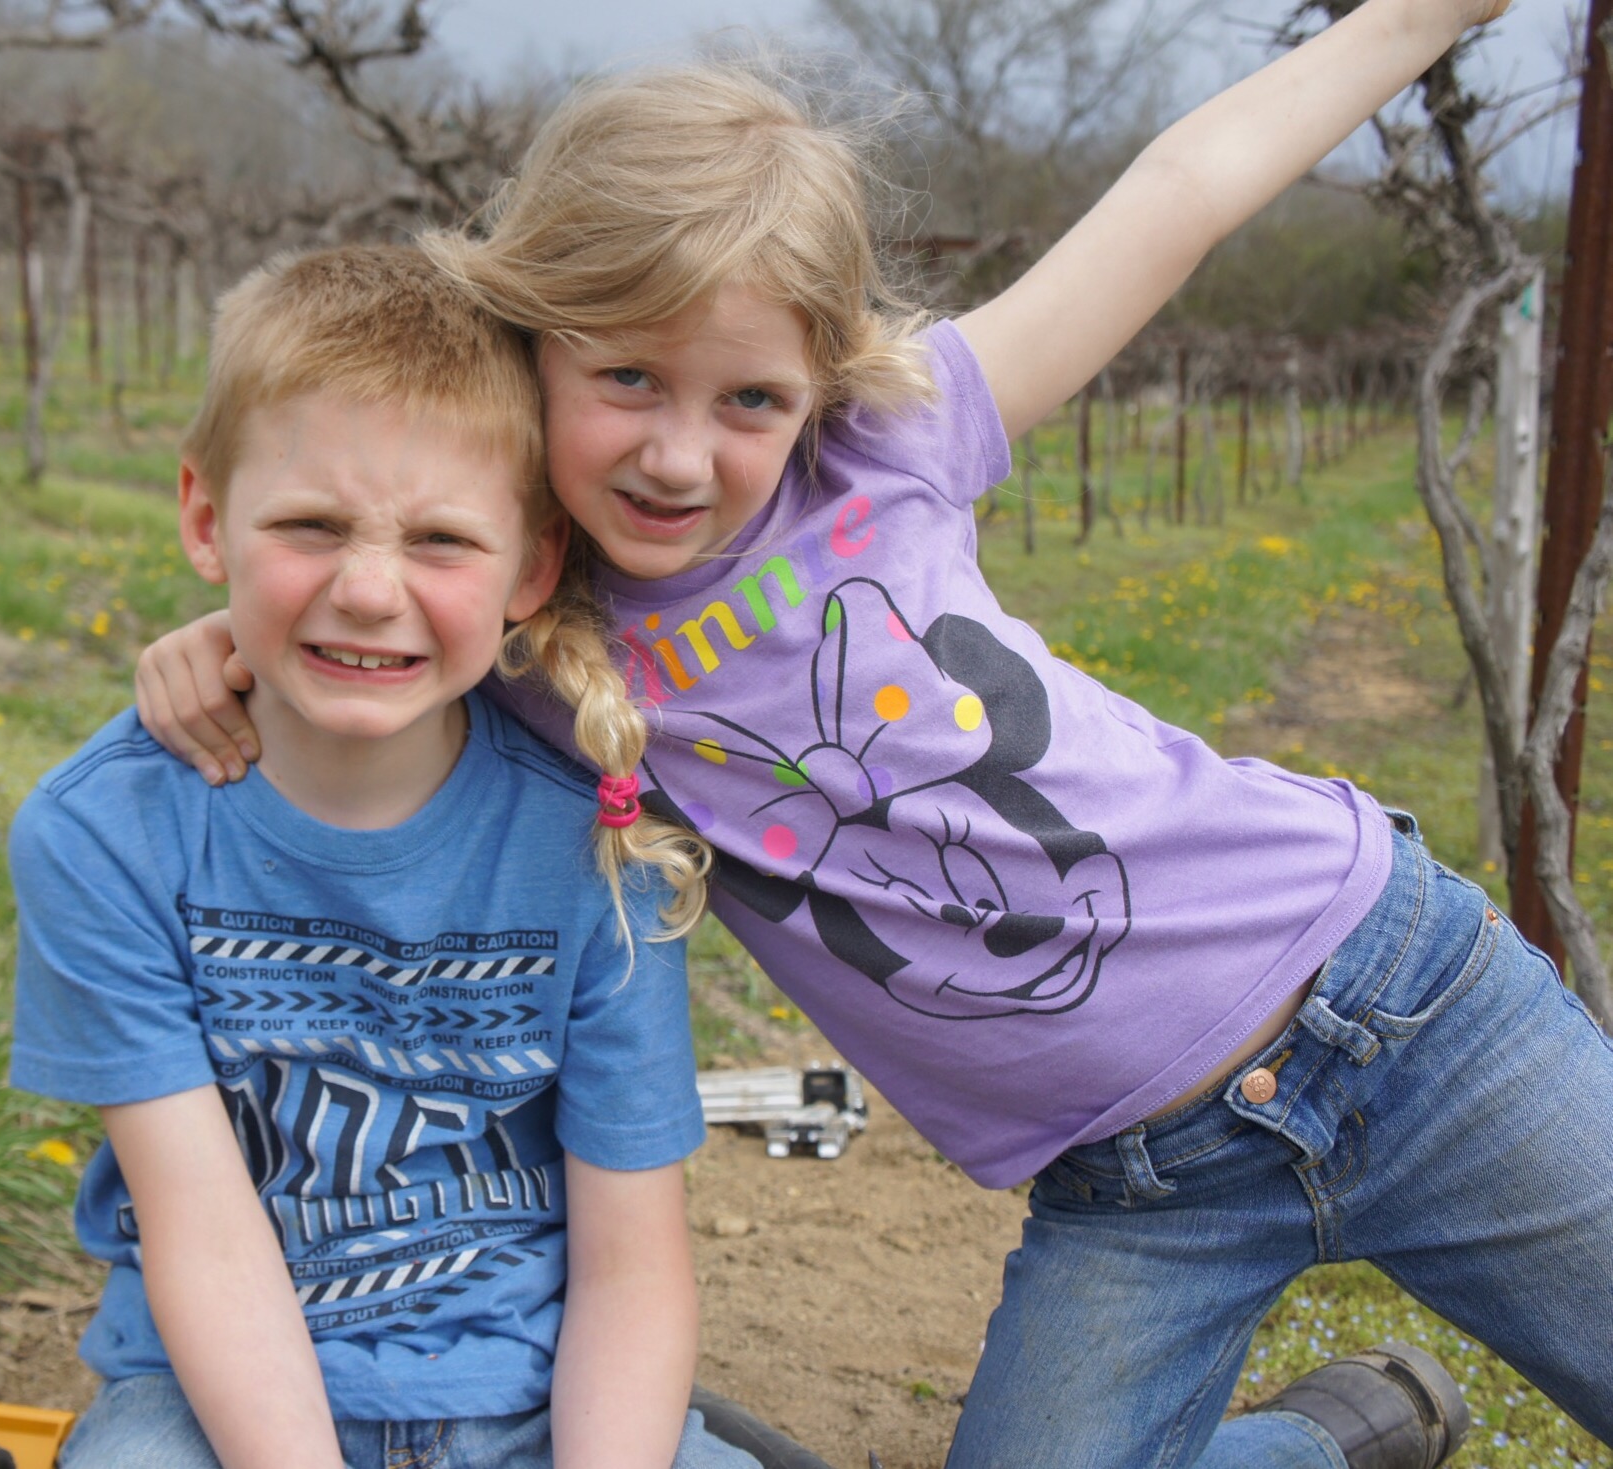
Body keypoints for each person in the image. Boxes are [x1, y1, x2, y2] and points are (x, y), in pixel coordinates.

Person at [133, 2, 1613, 1466]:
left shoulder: (893, 438)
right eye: (627, 375)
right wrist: (226, 645)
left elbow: (1180, 193)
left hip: (1398, 1005)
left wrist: (1413, 20)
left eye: (750, 398)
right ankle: (1329, 1439)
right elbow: (353, 597)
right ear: (534, 346)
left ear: (818, 385)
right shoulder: (521, 629)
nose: (678, 452)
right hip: (1145, 1190)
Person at [10, 244, 769, 1469]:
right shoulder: (105, 833)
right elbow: (203, 1235)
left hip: (533, 1394)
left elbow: (632, 1267)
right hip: (218, 1408)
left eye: (441, 540)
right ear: (206, 519)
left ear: (533, 565)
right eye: (310, 525)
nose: (369, 590)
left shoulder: (602, 841)